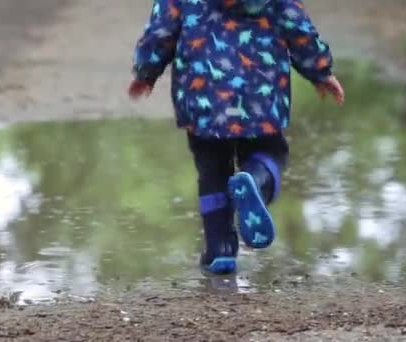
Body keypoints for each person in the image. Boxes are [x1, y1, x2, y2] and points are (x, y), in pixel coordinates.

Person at [128, 0, 344, 274]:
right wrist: (320, 70)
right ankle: (255, 179)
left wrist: (146, 72)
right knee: (271, 153)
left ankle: (220, 250)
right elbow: (298, 28)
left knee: (212, 171)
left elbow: (161, 32)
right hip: (261, 97)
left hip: (204, 101)